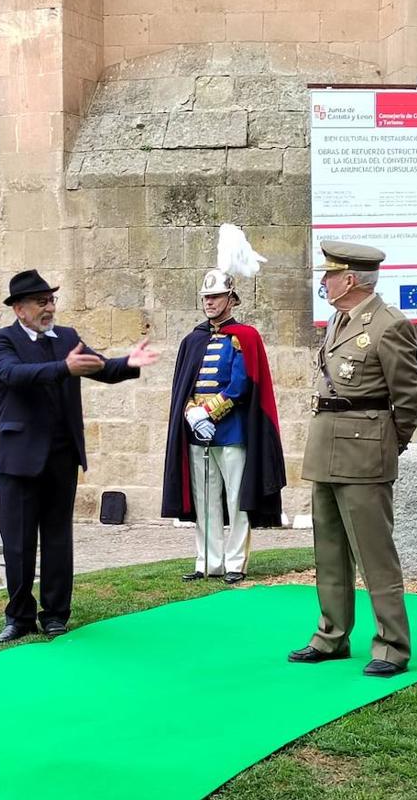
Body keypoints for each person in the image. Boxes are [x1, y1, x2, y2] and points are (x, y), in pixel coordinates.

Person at [0, 269, 160, 643]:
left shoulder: (67, 338)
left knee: (58, 539)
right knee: (17, 543)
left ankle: (56, 614)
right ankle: (18, 616)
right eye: (41, 302)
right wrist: (64, 368)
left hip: (61, 457)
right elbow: (14, 375)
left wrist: (129, 361)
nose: (49, 308)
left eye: (52, 300)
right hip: (19, 459)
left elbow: (100, 367)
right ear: (20, 309)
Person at [288, 241, 417, 678]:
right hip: (327, 444)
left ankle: (391, 646)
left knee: (374, 553)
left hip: (365, 449)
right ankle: (331, 636)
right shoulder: (338, 320)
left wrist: (389, 444)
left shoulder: (388, 325)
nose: (323, 282)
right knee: (328, 549)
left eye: (328, 275)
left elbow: (407, 398)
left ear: (349, 280)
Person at [161, 233, 286, 584]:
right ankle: (207, 561)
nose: (210, 303)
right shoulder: (193, 339)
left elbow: (242, 383)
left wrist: (209, 412)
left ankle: (234, 562)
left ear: (231, 299)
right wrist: (190, 413)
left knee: (236, 499)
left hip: (232, 432)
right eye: (206, 297)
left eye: (216, 297)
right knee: (203, 500)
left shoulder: (245, 336)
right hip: (197, 433)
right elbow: (183, 387)